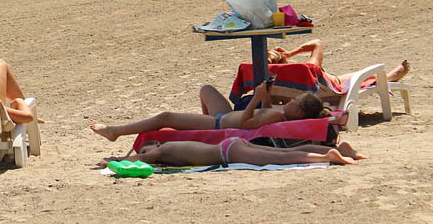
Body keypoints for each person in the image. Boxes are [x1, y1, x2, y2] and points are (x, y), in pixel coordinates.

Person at [89, 79, 323, 142]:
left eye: (295, 101)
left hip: (220, 125)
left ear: (300, 113)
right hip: (221, 117)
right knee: (206, 90)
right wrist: (266, 95)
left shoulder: (277, 116)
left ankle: (115, 131)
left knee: (165, 117)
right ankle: (199, 131)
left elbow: (246, 123)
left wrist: (257, 99)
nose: (290, 101)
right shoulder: (280, 114)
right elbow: (259, 115)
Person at [100, 139, 365, 168]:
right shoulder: (169, 149)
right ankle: (335, 149)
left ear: (155, 147)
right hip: (232, 145)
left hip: (229, 153)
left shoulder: (163, 150)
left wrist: (115, 160)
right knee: (284, 151)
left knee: (281, 158)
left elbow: (141, 160)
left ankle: (327, 156)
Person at [267, 38, 409, 88]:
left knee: (354, 77)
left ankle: (389, 77)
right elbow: (317, 43)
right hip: (332, 87)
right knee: (360, 76)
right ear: (284, 59)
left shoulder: (268, 79)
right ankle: (390, 77)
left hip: (302, 97)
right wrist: (291, 53)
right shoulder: (309, 69)